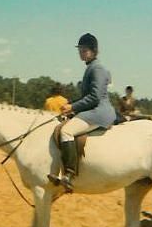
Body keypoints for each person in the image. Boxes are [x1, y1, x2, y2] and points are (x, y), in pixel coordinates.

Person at [48, 33, 116, 192]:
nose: (81, 52)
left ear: (93, 51)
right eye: (80, 49)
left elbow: (95, 97)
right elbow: (86, 96)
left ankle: (69, 175)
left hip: (100, 112)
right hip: (93, 109)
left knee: (66, 131)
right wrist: (71, 104)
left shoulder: (97, 68)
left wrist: (73, 108)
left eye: (84, 50)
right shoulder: (91, 67)